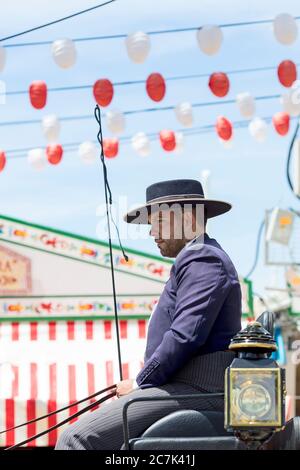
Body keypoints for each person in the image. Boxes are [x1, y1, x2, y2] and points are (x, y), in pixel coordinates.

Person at [55, 179, 242, 450]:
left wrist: (141, 382)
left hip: (199, 387)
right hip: (183, 385)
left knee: (76, 438)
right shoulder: (197, 258)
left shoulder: (203, 258)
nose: (153, 232)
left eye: (159, 222)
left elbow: (184, 336)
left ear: (188, 219)